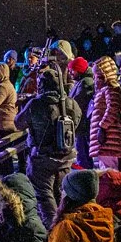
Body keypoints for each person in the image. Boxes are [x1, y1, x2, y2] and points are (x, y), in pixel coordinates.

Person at [16, 66, 80, 223]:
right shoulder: (70, 103)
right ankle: (65, 225)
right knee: (62, 193)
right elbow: (77, 121)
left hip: (41, 158)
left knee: (44, 195)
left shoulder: (36, 104)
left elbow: (19, 123)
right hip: (65, 157)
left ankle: (53, 227)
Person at [88, 58, 121, 170]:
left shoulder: (110, 88)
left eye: (98, 76)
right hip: (104, 141)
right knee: (104, 169)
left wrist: (102, 127)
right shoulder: (102, 90)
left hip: (109, 138)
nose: (95, 79)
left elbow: (112, 108)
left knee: (109, 170)